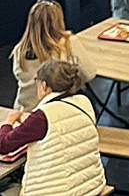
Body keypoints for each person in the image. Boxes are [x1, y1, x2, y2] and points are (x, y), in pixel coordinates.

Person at [0, 60, 106, 196]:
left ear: (43, 85)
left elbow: (3, 145)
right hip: (91, 186)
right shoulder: (84, 102)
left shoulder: (43, 115)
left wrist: (8, 122)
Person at [10, 0, 96, 111]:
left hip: (24, 109)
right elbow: (90, 74)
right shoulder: (68, 43)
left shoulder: (19, 50)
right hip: (55, 110)